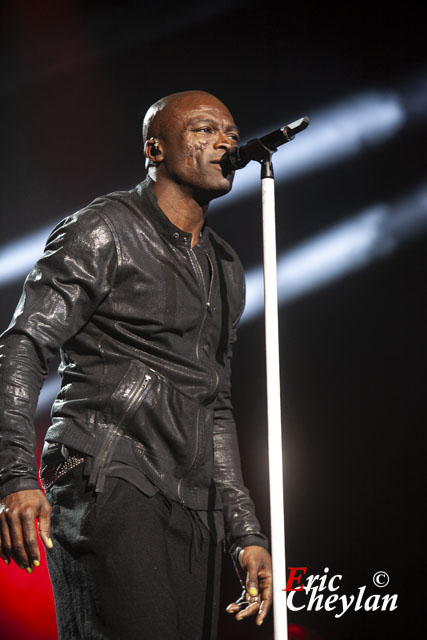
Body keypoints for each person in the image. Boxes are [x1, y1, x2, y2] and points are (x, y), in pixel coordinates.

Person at [0, 90, 272, 639]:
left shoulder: (227, 267)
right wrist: (13, 474)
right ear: (156, 148)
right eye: (202, 130)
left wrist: (245, 531)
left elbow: (214, 403)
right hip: (108, 473)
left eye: (231, 134)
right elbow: (25, 343)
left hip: (193, 505)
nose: (224, 142)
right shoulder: (103, 229)